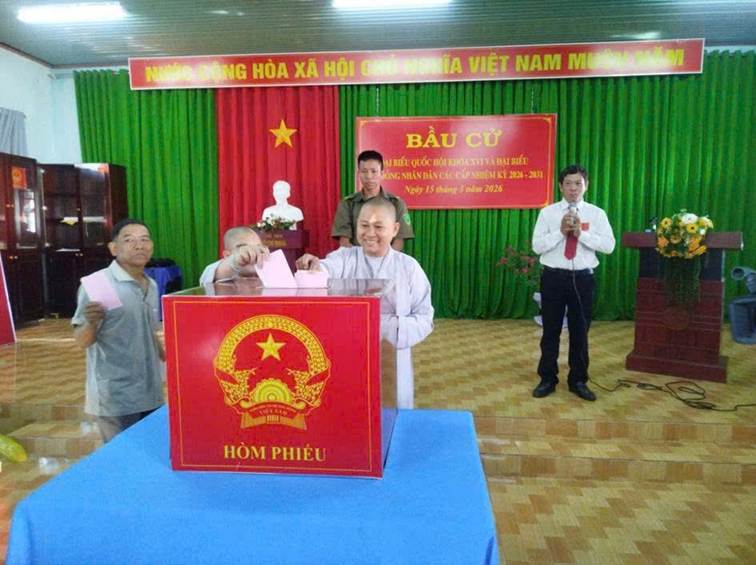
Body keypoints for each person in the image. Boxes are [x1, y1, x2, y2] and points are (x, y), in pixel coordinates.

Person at [299, 197, 433, 408]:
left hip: (392, 358)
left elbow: (424, 318)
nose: (370, 233)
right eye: (364, 225)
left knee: (390, 411)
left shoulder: (409, 267)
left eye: (378, 227)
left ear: (395, 229)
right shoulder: (344, 258)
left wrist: (382, 326)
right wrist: (313, 267)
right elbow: (325, 269)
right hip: (348, 354)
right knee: (349, 409)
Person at [72, 219, 165, 442]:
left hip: (151, 391)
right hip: (116, 396)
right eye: (129, 240)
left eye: (144, 239)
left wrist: (166, 357)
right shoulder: (99, 284)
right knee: (122, 456)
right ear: (114, 248)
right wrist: (91, 322)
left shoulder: (151, 285)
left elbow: (150, 331)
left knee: (150, 451)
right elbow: (82, 341)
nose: (139, 245)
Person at [531, 164, 615, 401]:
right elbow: (537, 246)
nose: (573, 188)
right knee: (551, 331)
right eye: (568, 183)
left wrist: (581, 234)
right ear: (560, 186)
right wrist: (560, 232)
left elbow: (609, 246)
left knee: (580, 332)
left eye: (578, 183)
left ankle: (578, 380)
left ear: (586, 186)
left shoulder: (597, 214)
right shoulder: (547, 213)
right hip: (553, 278)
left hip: (583, 279)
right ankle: (547, 378)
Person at [331, 149, 414, 252]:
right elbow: (344, 242)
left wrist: (383, 259)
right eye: (364, 171)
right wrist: (361, 259)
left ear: (382, 173)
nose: (369, 176)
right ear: (358, 173)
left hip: (387, 259)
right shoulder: (347, 204)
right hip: (357, 259)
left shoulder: (396, 203)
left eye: (374, 171)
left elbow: (399, 241)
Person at [199, 226, 269, 284]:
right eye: (243, 247)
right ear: (227, 255)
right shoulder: (215, 269)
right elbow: (208, 277)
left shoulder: (266, 272)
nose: (253, 252)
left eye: (257, 247)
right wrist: (235, 262)